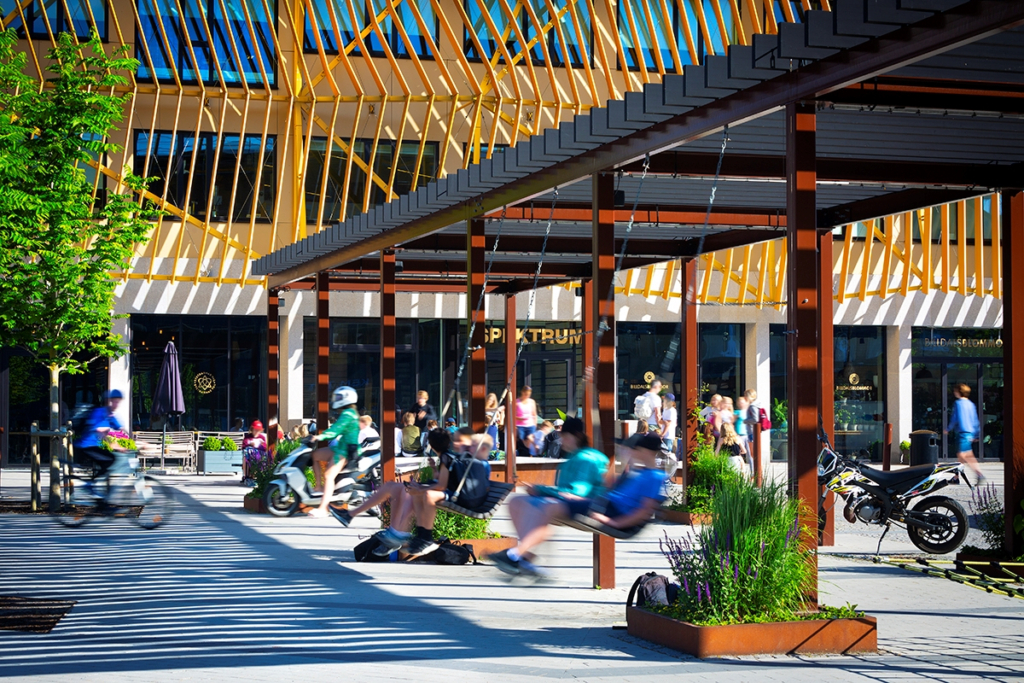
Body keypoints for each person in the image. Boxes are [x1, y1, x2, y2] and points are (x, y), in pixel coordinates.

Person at [489, 432, 666, 577]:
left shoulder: (654, 477)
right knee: (527, 502)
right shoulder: (638, 472)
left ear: (643, 450)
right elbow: (608, 488)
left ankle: (516, 555)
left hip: (611, 512)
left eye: (633, 449)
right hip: (602, 504)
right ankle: (523, 557)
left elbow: (644, 512)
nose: (628, 451)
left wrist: (612, 522)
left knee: (547, 506)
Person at [308, 386, 361, 518]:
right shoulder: (348, 413)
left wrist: (319, 437)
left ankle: (323, 508)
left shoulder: (348, 414)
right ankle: (319, 487)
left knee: (329, 475)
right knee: (315, 455)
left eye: (338, 398)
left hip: (346, 450)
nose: (335, 400)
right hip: (340, 447)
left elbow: (336, 430)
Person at [74, 390, 126, 501]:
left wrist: (138, 443)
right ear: (108, 401)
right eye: (114, 402)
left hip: (97, 446)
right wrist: (114, 445)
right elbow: (100, 431)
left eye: (118, 402)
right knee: (109, 460)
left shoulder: (111, 415)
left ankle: (102, 498)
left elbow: (122, 431)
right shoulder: (99, 412)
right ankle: (89, 485)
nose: (116, 405)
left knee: (110, 461)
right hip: (87, 446)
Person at [946, 383, 984, 483]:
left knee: (962, 455)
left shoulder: (958, 403)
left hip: (963, 432)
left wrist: (948, 428)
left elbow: (955, 418)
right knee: (968, 456)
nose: (954, 392)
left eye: (955, 391)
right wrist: (977, 434)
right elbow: (975, 420)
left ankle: (957, 477)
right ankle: (977, 474)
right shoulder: (971, 404)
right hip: (970, 433)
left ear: (958, 392)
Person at [515, 386, 539, 455]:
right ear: (522, 392)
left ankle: (530, 454)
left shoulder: (532, 402)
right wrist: (519, 418)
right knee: (521, 441)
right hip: (520, 425)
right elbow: (512, 415)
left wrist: (535, 425)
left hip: (530, 424)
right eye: (525, 394)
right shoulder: (517, 402)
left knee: (530, 439)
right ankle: (523, 453)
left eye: (528, 394)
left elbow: (534, 414)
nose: (527, 396)